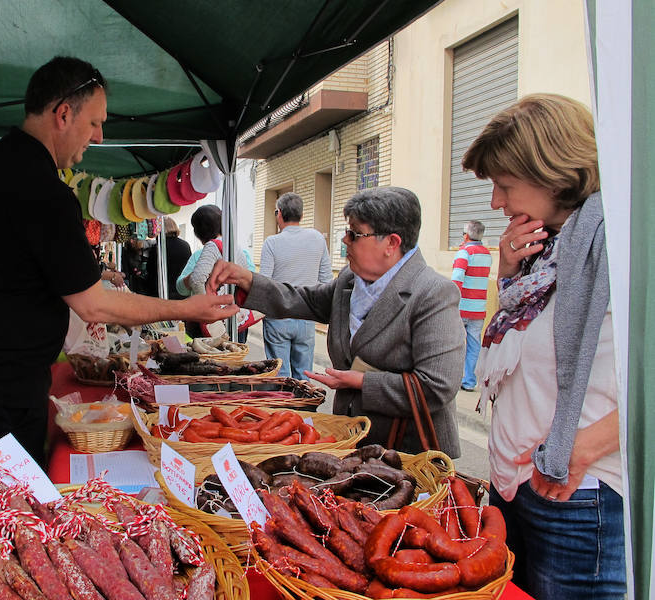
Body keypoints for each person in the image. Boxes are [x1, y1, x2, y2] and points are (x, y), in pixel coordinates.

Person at [0, 56, 237, 470]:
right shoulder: (42, 189)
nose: (100, 137)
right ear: (62, 114)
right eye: (95, 123)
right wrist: (184, 309)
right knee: (5, 513)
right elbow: (93, 304)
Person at [463, 94, 623, 600]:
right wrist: (507, 276)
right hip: (523, 483)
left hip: (577, 492)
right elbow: (517, 348)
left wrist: (581, 449)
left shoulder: (619, 241)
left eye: (505, 186)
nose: (496, 203)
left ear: (554, 173)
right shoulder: (547, 254)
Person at [208, 187, 463, 457]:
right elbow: (304, 300)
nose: (344, 240)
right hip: (354, 440)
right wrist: (248, 279)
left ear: (391, 243)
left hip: (409, 452)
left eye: (355, 234)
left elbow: (437, 386)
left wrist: (363, 383)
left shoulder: (433, 293)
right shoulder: (349, 281)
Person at [260, 192, 332, 380]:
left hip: (278, 315)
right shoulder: (317, 238)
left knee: (280, 376)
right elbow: (326, 279)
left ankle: (284, 407)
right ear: (301, 215)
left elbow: (264, 283)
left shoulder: (272, 242)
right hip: (307, 315)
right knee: (303, 375)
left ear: (280, 214)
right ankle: (304, 408)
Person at [180, 204, 255, 341]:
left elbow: (182, 288)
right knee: (235, 357)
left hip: (207, 322)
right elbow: (252, 282)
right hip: (237, 319)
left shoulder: (199, 255)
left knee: (206, 359)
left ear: (197, 232)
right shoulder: (240, 252)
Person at [450, 219, 491, 391]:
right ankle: (469, 381)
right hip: (479, 308)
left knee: (455, 344)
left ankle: (454, 378)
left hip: (461, 307)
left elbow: (457, 277)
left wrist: (452, 300)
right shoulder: (487, 254)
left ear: (466, 235)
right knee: (474, 345)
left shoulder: (464, 252)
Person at [144, 217, 191, 299]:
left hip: (161, 291)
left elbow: (150, 268)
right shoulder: (185, 245)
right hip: (181, 290)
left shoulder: (158, 247)